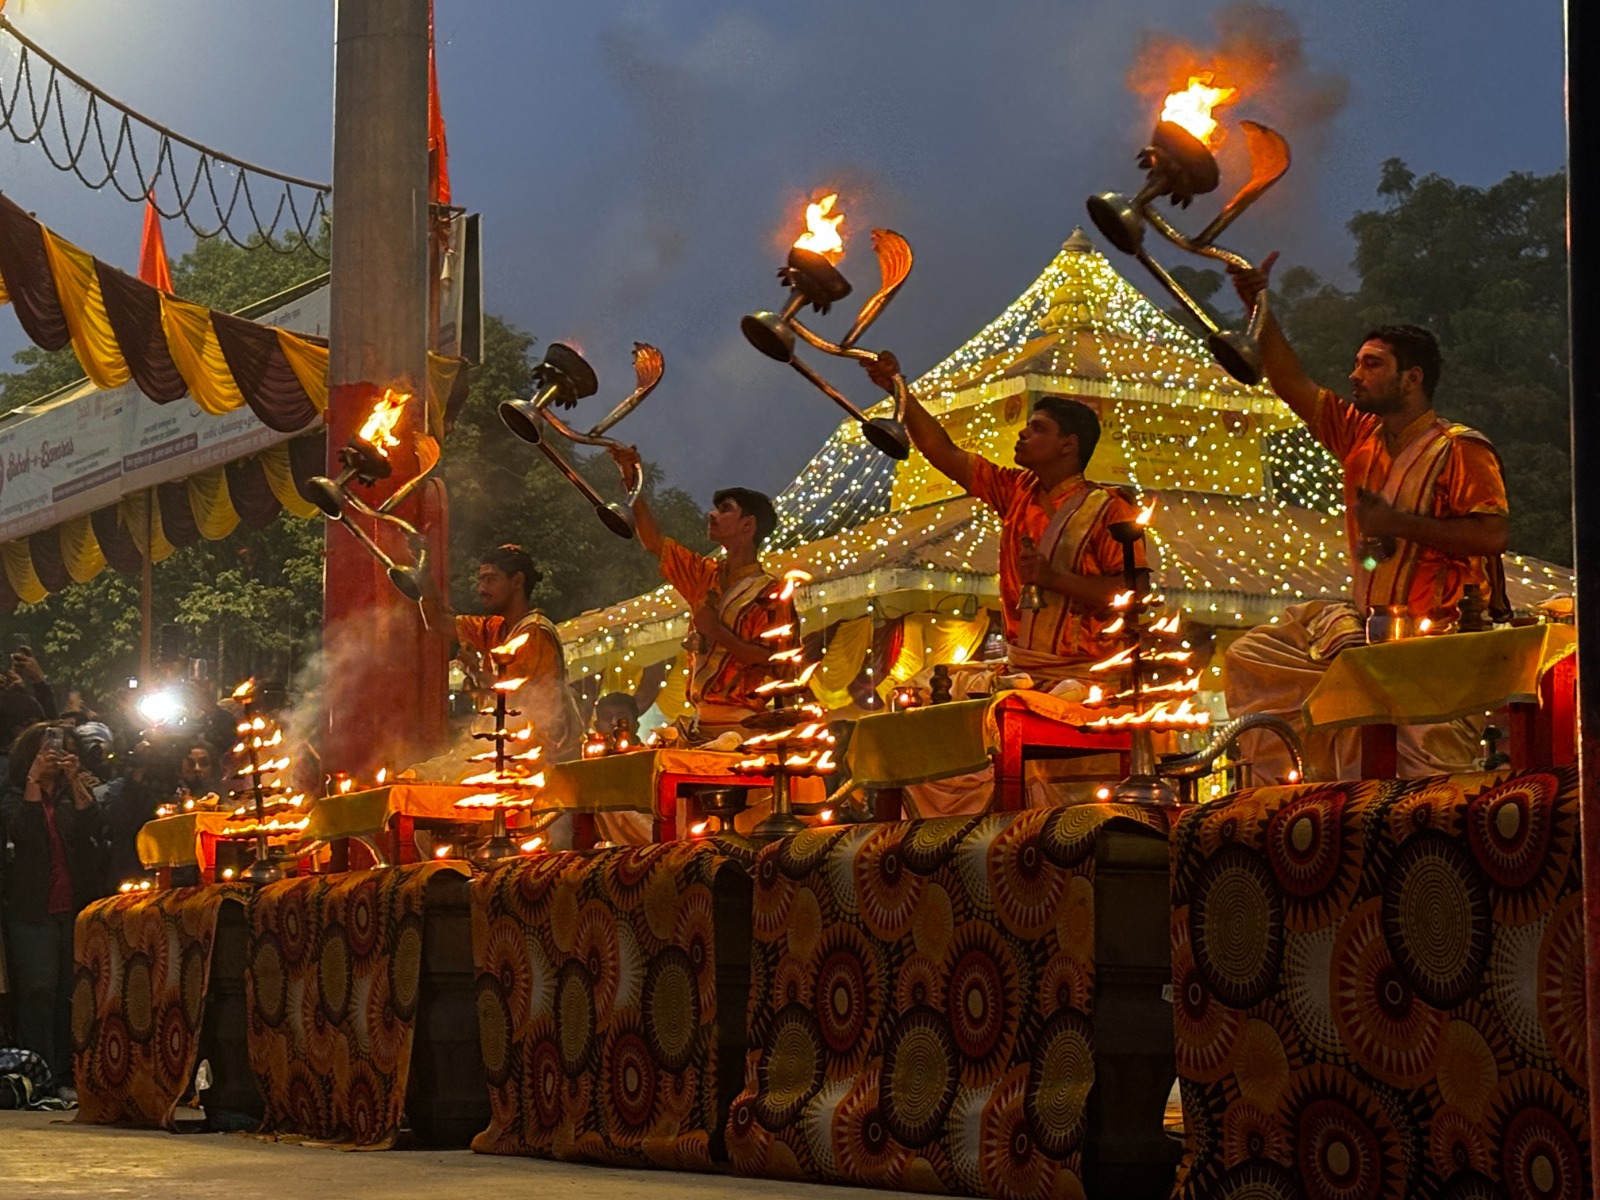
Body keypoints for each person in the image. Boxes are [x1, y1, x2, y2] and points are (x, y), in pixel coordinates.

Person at [1223, 255, 1510, 782]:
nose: (1355, 375)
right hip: (1367, 627)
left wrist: (1397, 523)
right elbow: (1289, 380)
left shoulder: (1460, 449)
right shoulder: (1359, 436)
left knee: (1418, 783)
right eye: (1356, 363)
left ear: (1412, 378)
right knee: (1254, 653)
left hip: (1439, 639)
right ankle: (1282, 796)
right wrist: (1259, 305)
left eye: (1371, 364)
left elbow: (1492, 534)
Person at [869, 353, 1146, 692]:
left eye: (1038, 428)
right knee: (919, 689)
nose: (1023, 433)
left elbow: (1134, 593)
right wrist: (899, 391)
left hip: (1086, 675)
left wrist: (1052, 579)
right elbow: (943, 452)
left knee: (1047, 699)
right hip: (1022, 669)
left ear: (1067, 446)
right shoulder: (1016, 490)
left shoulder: (1110, 509)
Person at [606, 448, 797, 738]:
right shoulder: (704, 574)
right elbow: (654, 542)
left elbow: (775, 661)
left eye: (725, 509)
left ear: (748, 525)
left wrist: (716, 631)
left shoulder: (771, 591)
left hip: (744, 727)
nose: (712, 515)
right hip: (699, 721)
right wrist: (631, 477)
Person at [1, 722, 107, 1099]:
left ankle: (66, 1074)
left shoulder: (68, 796)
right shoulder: (15, 794)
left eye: (62, 747)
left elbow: (92, 826)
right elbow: (23, 831)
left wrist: (74, 778)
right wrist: (34, 778)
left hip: (72, 908)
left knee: (68, 992)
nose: (55, 753)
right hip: (31, 909)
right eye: (46, 748)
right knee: (38, 990)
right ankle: (37, 1072)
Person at [454, 544, 585, 765]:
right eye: (481, 580)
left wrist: (475, 671)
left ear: (517, 582)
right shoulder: (494, 627)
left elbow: (516, 700)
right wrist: (421, 575)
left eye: (490, 580)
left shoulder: (535, 633)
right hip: (504, 749)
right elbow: (437, 621)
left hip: (539, 756)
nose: (481, 589)